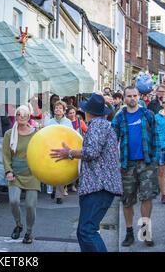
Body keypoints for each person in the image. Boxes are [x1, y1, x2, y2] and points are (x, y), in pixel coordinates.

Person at [50, 94, 123, 252]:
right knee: (85, 231)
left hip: (99, 186)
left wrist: (70, 153)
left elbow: (91, 151)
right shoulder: (102, 124)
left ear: (87, 112)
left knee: (86, 231)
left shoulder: (97, 125)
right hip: (99, 186)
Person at [112, 86, 160, 247]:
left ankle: (145, 232)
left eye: (135, 95)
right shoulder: (119, 118)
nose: (132, 98)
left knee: (147, 197)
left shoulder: (148, 114)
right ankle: (129, 232)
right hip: (127, 164)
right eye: (129, 96)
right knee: (127, 200)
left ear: (139, 96)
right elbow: (113, 141)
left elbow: (155, 137)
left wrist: (157, 161)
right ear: (124, 98)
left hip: (146, 163)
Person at [2, 105, 40, 244]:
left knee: (30, 205)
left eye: (25, 114)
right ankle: (18, 225)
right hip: (15, 173)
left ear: (29, 117)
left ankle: (29, 233)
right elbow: (6, 155)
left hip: (32, 172)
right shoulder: (9, 134)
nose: (22, 116)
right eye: (19, 114)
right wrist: (8, 171)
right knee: (14, 201)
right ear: (16, 117)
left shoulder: (36, 133)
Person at [47, 100, 73, 204]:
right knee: (53, 170)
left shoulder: (68, 122)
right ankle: (54, 189)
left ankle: (59, 195)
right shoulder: (50, 122)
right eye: (56, 108)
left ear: (63, 111)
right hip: (52, 147)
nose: (58, 109)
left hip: (63, 148)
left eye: (60, 108)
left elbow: (71, 135)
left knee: (61, 170)